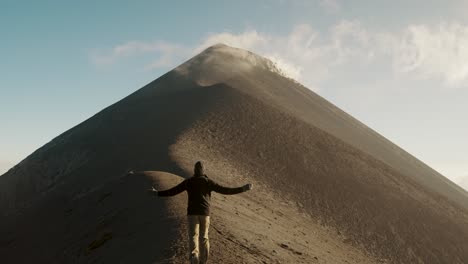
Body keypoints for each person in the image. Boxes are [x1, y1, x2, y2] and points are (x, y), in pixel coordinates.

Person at [146, 161, 252, 264]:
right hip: (205, 214)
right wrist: (243, 188)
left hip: (192, 214)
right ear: (203, 170)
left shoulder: (189, 181)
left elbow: (173, 191)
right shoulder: (208, 182)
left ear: (194, 170)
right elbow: (225, 190)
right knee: (204, 237)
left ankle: (194, 258)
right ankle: (203, 261)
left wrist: (157, 193)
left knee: (193, 236)